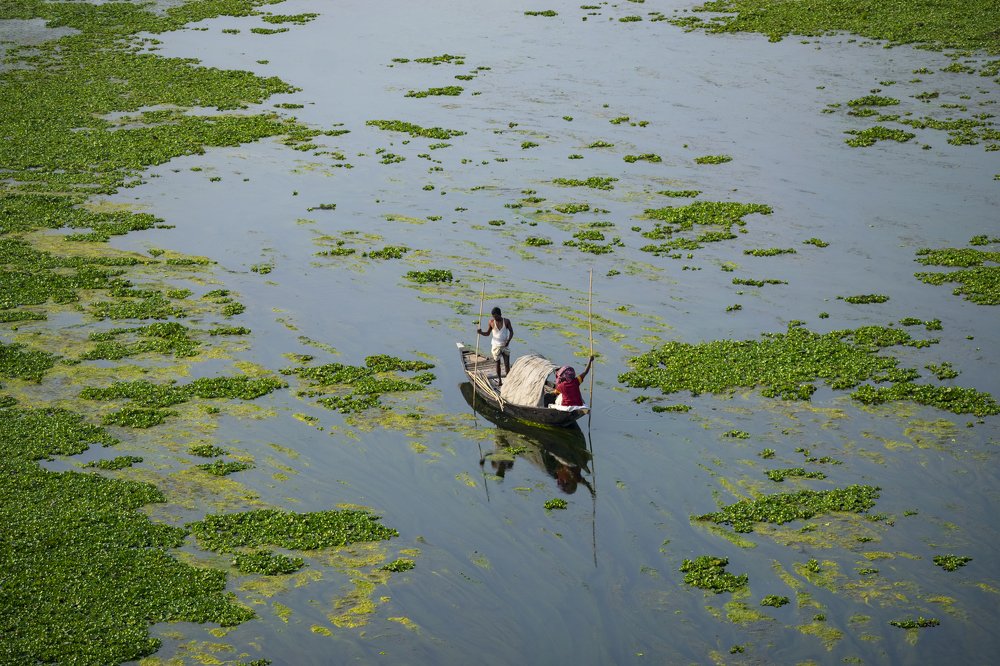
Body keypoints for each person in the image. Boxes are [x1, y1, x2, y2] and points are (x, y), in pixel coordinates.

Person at [476, 307, 514, 384]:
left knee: (507, 364)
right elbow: (487, 334)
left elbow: (511, 332)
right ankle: (500, 380)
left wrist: (508, 341)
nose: (495, 318)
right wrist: (480, 332)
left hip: (505, 345)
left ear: (500, 314)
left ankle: (508, 381)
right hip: (495, 346)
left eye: (496, 316)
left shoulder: (506, 321)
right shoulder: (491, 322)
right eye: (493, 316)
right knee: (498, 364)